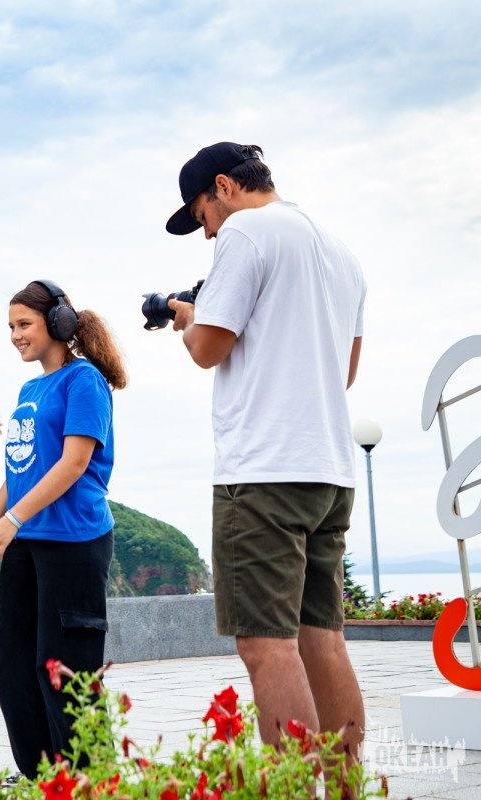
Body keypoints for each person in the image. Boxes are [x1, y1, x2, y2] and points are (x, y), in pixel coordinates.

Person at [164, 142, 367, 757]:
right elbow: (345, 372)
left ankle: (292, 791)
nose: (207, 232)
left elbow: (208, 349)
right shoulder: (341, 252)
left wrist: (188, 321)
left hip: (264, 472)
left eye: (201, 215)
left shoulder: (246, 232)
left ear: (224, 187)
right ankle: (345, 790)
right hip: (330, 470)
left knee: (265, 645)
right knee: (322, 638)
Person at [0, 279, 127, 778]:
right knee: (15, 673)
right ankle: (43, 779)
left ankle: (89, 781)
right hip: (25, 543)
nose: (15, 335)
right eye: (10, 327)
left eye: (25, 324)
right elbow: (19, 470)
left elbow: (73, 463)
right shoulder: (29, 389)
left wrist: (12, 521)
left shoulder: (84, 381)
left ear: (58, 322)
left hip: (73, 543)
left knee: (64, 674)